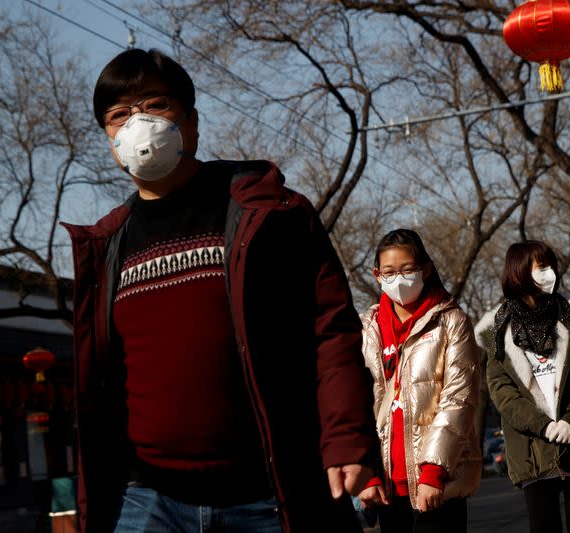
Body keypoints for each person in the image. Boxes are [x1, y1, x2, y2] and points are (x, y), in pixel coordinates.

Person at [62, 48, 379, 533]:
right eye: (119, 115)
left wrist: (346, 437)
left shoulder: (271, 214)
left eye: (155, 106)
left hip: (269, 495)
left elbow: (331, 332)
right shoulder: (105, 247)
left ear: (191, 122)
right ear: (109, 139)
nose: (138, 124)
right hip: (148, 501)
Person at [476, 240, 570, 533]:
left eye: (550, 266)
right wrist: (543, 425)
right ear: (517, 273)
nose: (548, 274)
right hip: (532, 449)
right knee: (543, 526)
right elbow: (501, 391)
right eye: (540, 268)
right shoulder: (497, 330)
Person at [357, 229, 482, 533]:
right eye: (389, 272)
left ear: (425, 269)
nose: (398, 279)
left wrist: (433, 473)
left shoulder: (451, 321)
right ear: (377, 275)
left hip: (437, 485)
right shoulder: (367, 329)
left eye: (407, 270)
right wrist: (366, 472)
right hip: (385, 486)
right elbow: (357, 402)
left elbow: (458, 399)